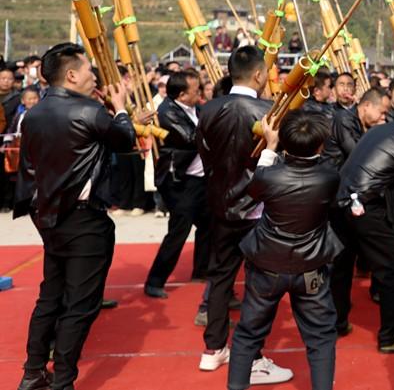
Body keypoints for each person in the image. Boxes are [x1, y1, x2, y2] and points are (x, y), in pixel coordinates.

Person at [14, 43, 141, 390]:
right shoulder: (89, 110)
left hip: (48, 216)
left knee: (50, 295)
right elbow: (125, 139)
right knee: (81, 305)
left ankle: (33, 371)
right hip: (84, 219)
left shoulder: (34, 113)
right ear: (71, 74)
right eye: (88, 70)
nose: (93, 75)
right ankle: (64, 381)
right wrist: (120, 108)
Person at [195, 46, 292, 384]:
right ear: (259, 75)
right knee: (256, 285)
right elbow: (281, 159)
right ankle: (251, 355)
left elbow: (205, 156)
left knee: (220, 278)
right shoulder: (269, 111)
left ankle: (213, 349)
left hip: (220, 205)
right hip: (256, 208)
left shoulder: (207, 109)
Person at [228, 111, 342, 390]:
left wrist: (269, 145)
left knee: (248, 332)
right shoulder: (329, 176)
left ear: (285, 143)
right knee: (321, 336)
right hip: (310, 266)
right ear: (320, 145)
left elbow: (254, 189)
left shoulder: (270, 176)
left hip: (267, 263)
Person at [332, 120, 394, 353]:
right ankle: (390, 336)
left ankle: (338, 323)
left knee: (342, 264)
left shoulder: (383, 129)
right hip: (365, 204)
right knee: (390, 269)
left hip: (341, 197)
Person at [145, 69, 211, 299]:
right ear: (182, 95)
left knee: (209, 224)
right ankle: (155, 280)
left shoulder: (199, 108)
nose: (200, 93)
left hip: (201, 178)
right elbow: (191, 138)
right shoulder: (167, 112)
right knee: (179, 230)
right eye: (196, 90)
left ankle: (202, 270)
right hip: (178, 181)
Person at [322, 87, 389, 168]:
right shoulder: (344, 119)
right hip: (334, 175)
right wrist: (376, 132)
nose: (383, 118)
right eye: (382, 112)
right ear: (367, 105)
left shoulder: (368, 124)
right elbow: (357, 155)